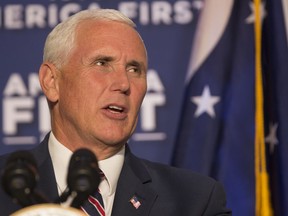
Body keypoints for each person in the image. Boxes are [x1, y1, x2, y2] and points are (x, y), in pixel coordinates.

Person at [0, 9, 231, 215]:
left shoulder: (196, 201)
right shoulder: (5, 186)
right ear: (51, 81)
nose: (123, 83)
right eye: (102, 63)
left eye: (134, 69)